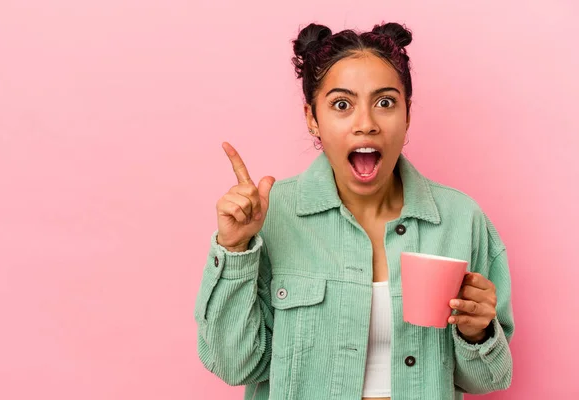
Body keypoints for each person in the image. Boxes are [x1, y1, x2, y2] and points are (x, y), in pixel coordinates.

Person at [194, 22, 514, 400]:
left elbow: (488, 381)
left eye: (385, 102)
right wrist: (234, 250)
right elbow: (235, 366)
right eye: (342, 105)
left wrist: (476, 332)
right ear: (313, 117)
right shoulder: (270, 216)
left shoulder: (461, 220)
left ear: (407, 113)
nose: (366, 124)